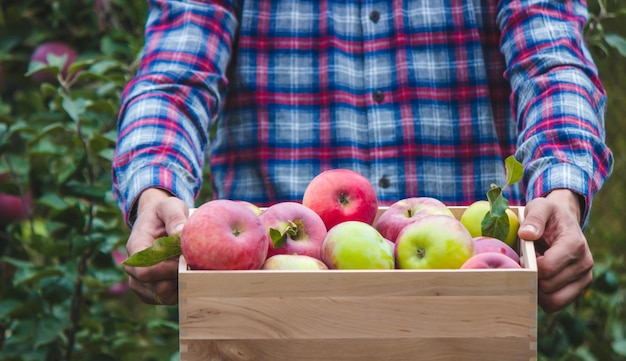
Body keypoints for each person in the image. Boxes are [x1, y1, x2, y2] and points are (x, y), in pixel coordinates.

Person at [112, 1, 614, 313]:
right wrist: (155, 186)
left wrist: (559, 191)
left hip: (465, 312)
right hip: (266, 316)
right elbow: (175, 75)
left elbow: (550, 61)